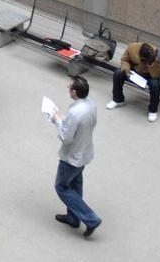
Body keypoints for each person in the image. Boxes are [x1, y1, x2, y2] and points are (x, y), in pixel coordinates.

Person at [48, 75, 102, 239]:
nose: (68, 88)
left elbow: (66, 137)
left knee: (62, 187)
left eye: (69, 87)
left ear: (75, 92)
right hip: (84, 152)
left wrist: (57, 120)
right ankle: (73, 217)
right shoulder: (91, 105)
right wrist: (65, 120)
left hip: (72, 156)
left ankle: (90, 218)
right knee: (75, 185)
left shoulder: (75, 112)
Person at [106, 42, 160, 122]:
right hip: (135, 71)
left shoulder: (156, 56)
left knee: (155, 85)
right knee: (118, 73)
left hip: (150, 75)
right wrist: (126, 69)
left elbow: (156, 75)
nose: (145, 61)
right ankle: (118, 100)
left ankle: (153, 110)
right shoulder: (132, 47)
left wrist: (151, 63)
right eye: (143, 60)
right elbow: (125, 59)